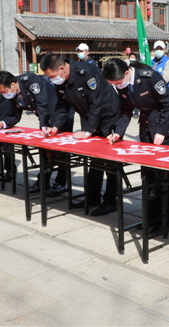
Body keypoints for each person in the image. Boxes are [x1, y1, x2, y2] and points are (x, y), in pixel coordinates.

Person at [103, 58, 169, 232]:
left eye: (117, 82)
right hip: (146, 127)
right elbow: (126, 110)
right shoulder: (122, 83)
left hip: (165, 127)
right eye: (113, 84)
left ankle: (165, 221)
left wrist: (161, 131)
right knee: (149, 175)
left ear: (126, 73)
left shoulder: (150, 77)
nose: (117, 86)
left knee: (164, 176)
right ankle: (151, 219)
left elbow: (168, 104)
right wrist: (118, 132)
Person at [40, 53, 120, 216]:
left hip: (108, 117)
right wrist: (55, 127)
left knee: (111, 163)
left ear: (62, 69)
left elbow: (96, 103)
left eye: (52, 76)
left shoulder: (87, 72)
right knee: (95, 161)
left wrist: (88, 130)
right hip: (90, 118)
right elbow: (62, 106)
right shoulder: (61, 80)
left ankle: (111, 201)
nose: (51, 80)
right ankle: (92, 198)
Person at [0, 70, 69, 195]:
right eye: (0, 93)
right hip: (45, 117)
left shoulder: (30, 81)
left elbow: (42, 104)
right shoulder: (13, 93)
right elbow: (14, 115)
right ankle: (43, 181)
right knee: (45, 152)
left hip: (60, 113)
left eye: (3, 91)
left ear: (13, 84)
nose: (4, 95)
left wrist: (44, 125)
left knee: (61, 152)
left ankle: (61, 182)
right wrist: (3, 123)